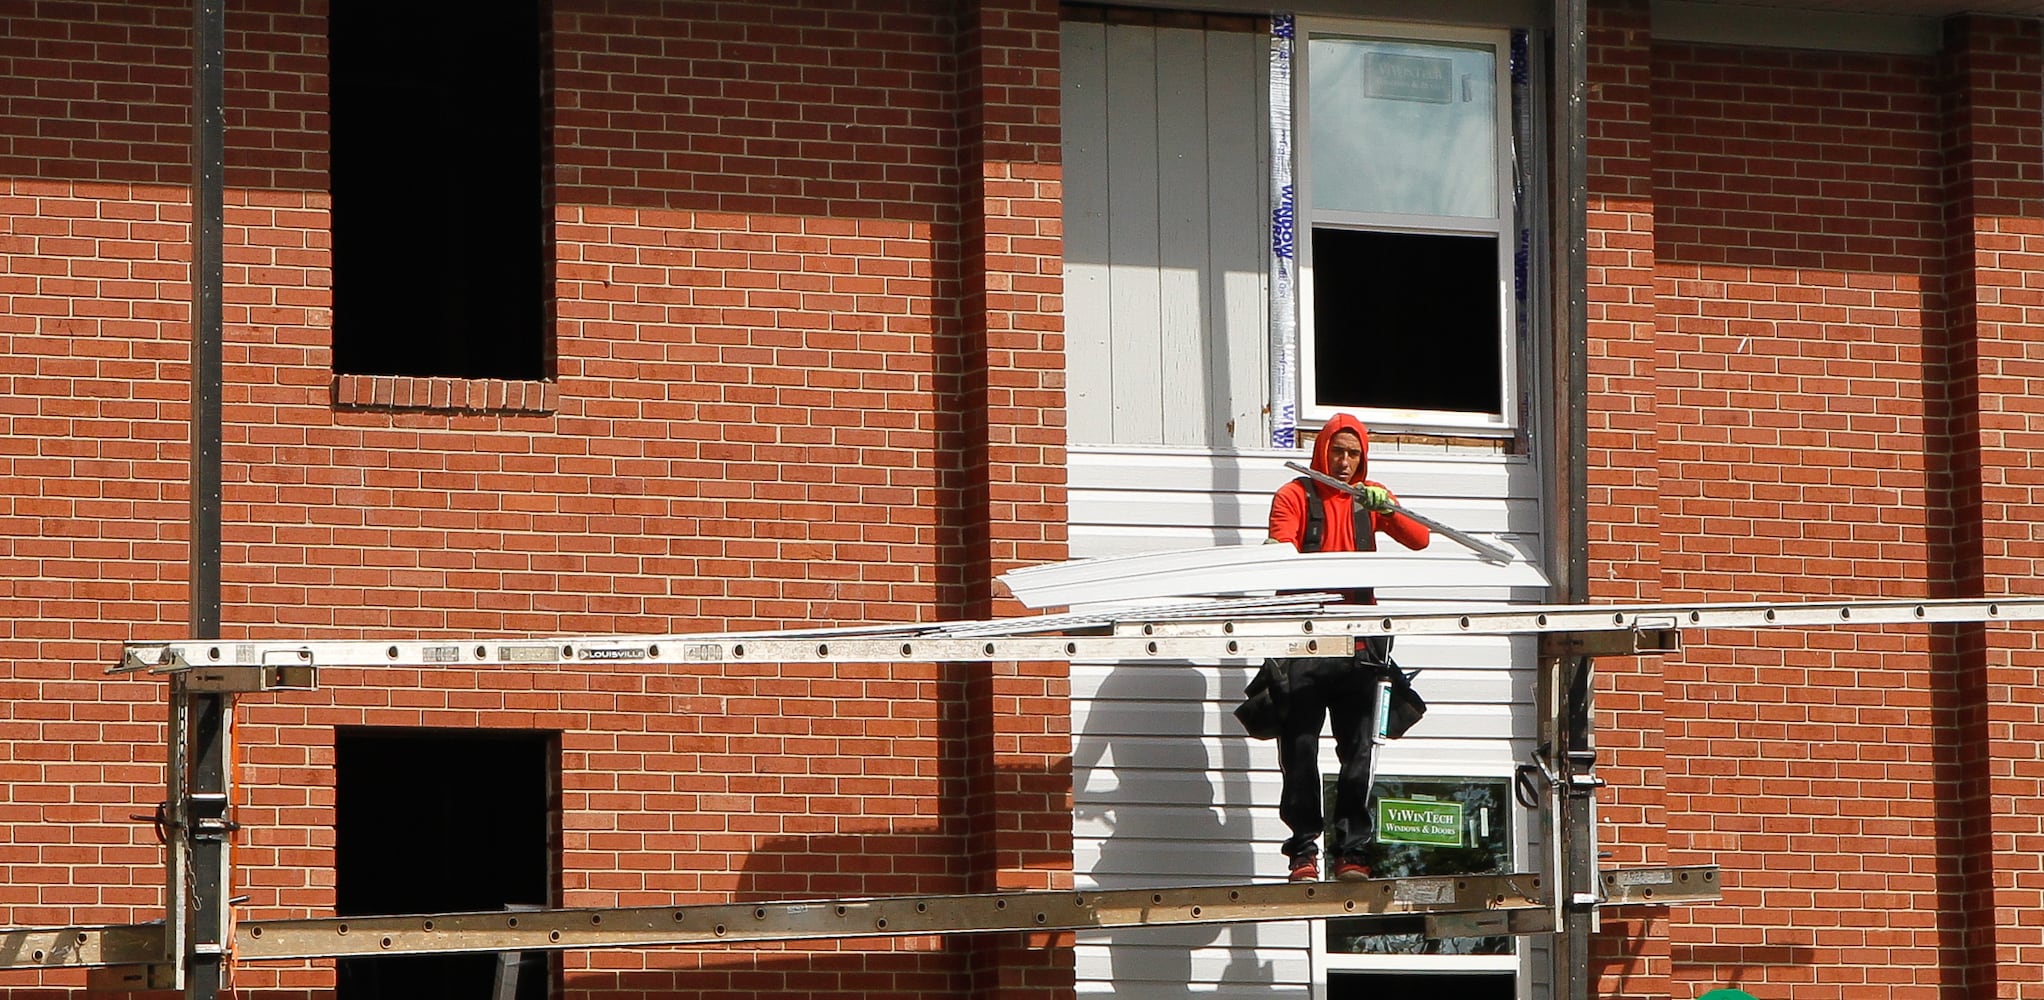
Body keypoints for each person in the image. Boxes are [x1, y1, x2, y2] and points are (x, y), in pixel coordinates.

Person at [1265, 413, 1429, 882]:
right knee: (1299, 750)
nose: (1343, 461)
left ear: (1362, 458)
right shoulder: (1295, 495)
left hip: (1360, 645)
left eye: (1352, 453)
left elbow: (1420, 540)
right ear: (1323, 450)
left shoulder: (1370, 499)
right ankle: (1303, 854)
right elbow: (1279, 554)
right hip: (1305, 639)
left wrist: (1390, 508)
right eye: (1337, 451)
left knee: (1358, 750)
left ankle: (1351, 854)